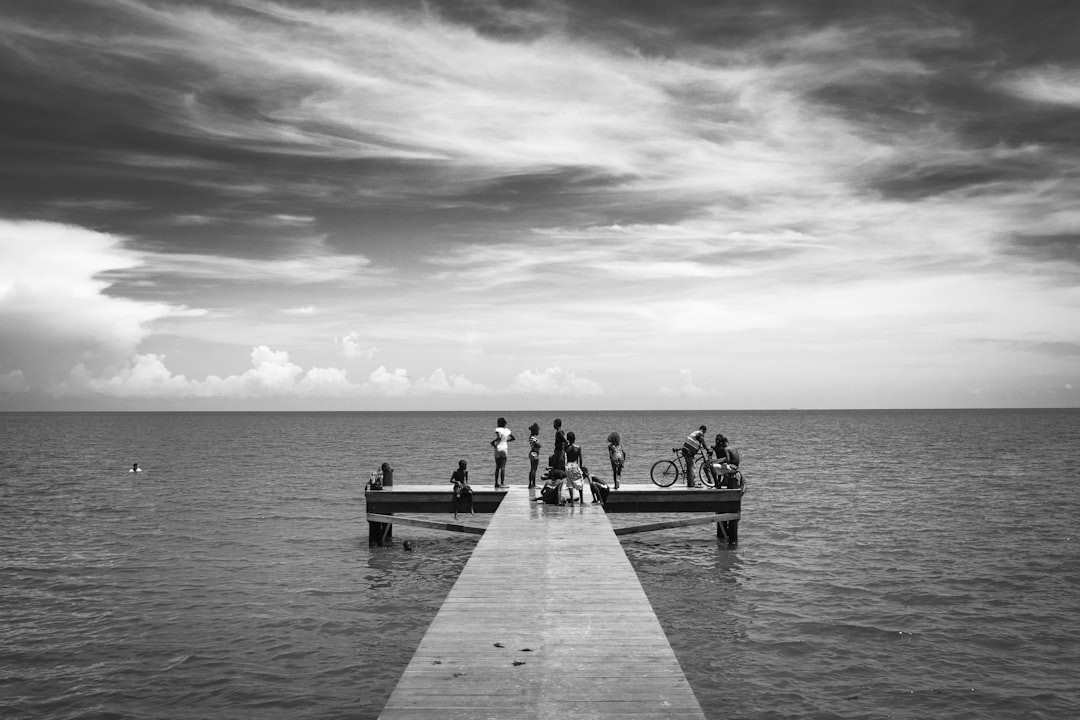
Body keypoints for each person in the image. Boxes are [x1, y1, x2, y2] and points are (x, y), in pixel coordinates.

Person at [491, 417, 515, 489]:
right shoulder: (508, 430)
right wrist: (506, 441)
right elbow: (513, 438)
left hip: (498, 448)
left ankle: (496, 483)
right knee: (503, 467)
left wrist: (493, 442)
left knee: (497, 467)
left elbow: (499, 437)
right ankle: (502, 483)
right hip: (504, 448)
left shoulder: (497, 429)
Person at [564, 431, 584, 504]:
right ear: (574, 438)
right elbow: (580, 459)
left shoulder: (566, 447)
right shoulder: (578, 448)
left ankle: (572, 501)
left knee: (570, 484)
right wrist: (580, 467)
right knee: (579, 482)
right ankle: (582, 500)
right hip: (575, 465)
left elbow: (564, 457)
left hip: (568, 465)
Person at [527, 423, 542, 488]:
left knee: (532, 469)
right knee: (534, 469)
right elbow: (539, 445)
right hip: (534, 454)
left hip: (532, 453)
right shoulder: (533, 438)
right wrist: (539, 444)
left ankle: (531, 484)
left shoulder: (531, 437)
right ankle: (533, 484)